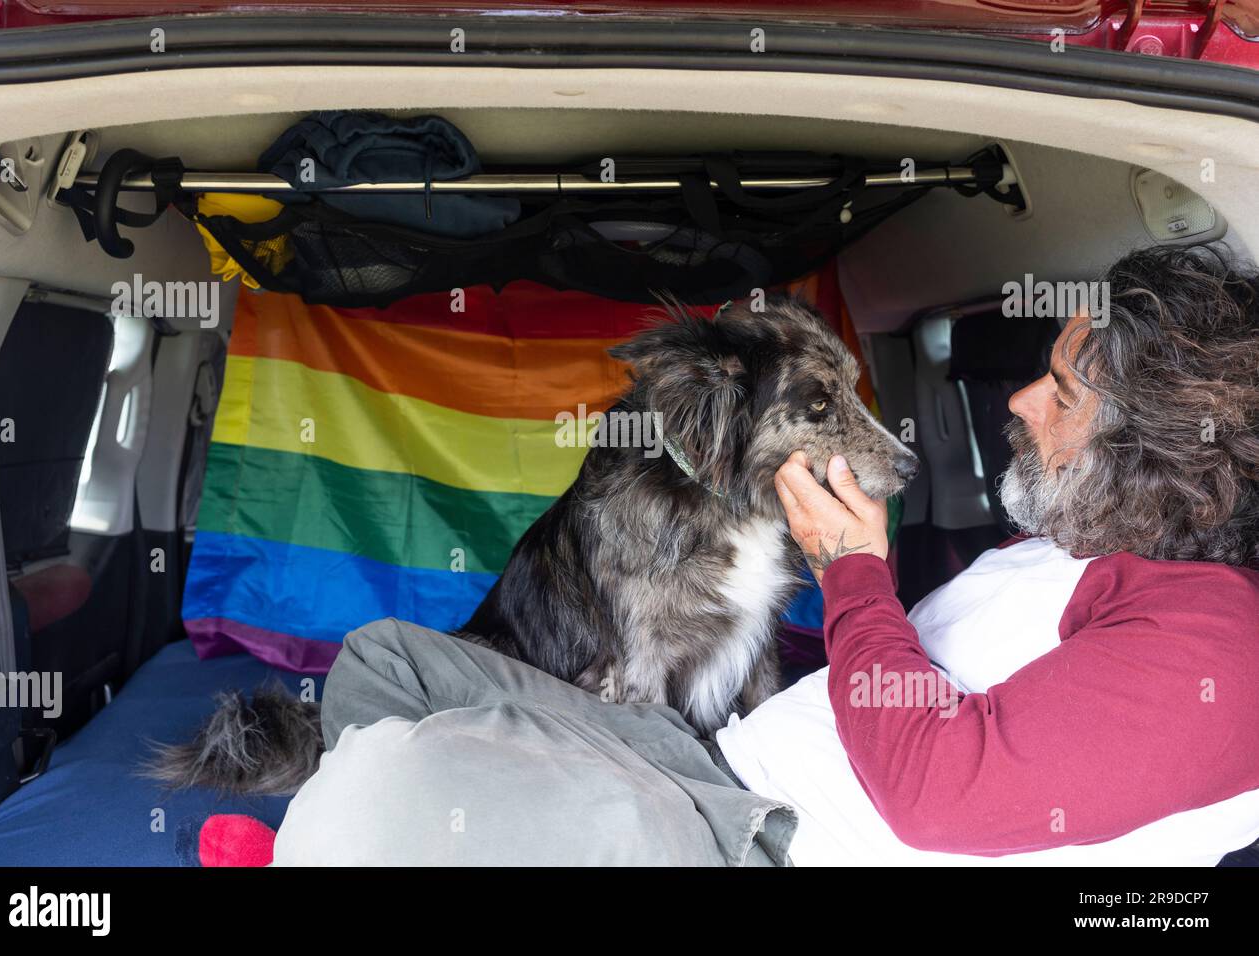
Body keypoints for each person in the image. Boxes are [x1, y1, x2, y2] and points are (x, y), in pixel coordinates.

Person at [272, 244, 1259, 866]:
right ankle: (367, 812)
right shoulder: (1076, 543)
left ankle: (349, 827)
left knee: (404, 786)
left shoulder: (1217, 640)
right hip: (702, 764)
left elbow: (941, 795)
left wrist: (853, 574)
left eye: (1058, 390)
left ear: (1155, 437)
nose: (1016, 401)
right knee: (384, 660)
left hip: (748, 841)